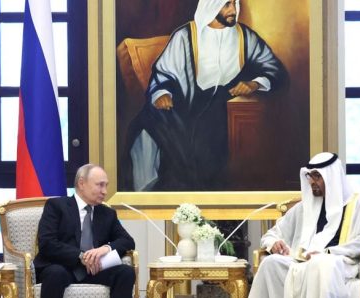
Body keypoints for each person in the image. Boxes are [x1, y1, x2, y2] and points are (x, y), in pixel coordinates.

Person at [122, 0, 287, 191]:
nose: (233, 10)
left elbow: (274, 68)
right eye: (227, 5)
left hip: (220, 106)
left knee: (207, 140)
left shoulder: (245, 37)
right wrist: (162, 93)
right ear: (211, 6)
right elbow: (163, 74)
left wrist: (254, 83)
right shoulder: (185, 36)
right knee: (147, 124)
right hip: (183, 102)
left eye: (234, 4)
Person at [244, 152, 360, 298]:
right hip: (301, 262)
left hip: (339, 263)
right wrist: (274, 243)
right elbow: (272, 233)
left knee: (322, 264)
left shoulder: (358, 205)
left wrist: (328, 251)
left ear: (332, 177)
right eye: (310, 177)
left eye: (317, 177)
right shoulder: (304, 207)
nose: (312, 182)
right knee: (270, 264)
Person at [34, 164, 137, 298]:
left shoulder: (107, 213)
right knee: (54, 274)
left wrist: (105, 248)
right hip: (63, 266)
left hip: (94, 269)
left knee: (125, 272)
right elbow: (47, 243)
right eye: (100, 185)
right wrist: (80, 256)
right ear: (81, 183)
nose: (105, 191)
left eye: (106, 185)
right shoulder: (57, 206)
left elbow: (127, 241)